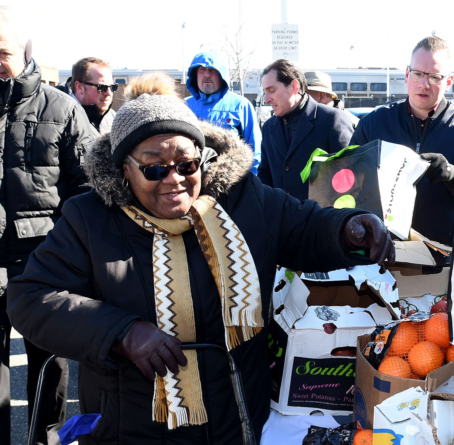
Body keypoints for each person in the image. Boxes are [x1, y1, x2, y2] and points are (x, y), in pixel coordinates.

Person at [6, 73, 394, 444]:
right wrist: (120, 332)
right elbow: (31, 298)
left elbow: (302, 225)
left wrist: (347, 227)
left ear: (202, 159)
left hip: (237, 414)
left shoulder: (244, 199)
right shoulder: (89, 218)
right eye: (154, 167)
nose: (173, 178)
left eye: (186, 165)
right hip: (133, 423)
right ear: (125, 169)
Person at [0, 7, 93, 445]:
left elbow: (90, 185)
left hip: (42, 258)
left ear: (24, 53)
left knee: (48, 360)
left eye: (1, 52)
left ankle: (46, 440)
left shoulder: (62, 107)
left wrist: (72, 248)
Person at [350, 36, 454, 248]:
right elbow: (347, 178)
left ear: (448, 82)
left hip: (446, 256)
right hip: (380, 253)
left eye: (435, 77)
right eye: (418, 74)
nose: (424, 84)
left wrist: (453, 174)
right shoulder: (374, 123)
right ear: (407, 74)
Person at [257, 59, 355, 199]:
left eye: (271, 90)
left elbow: (349, 176)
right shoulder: (268, 127)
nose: (266, 99)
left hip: (323, 218)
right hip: (281, 218)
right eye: (265, 92)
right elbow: (265, 175)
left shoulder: (332, 120)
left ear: (294, 86)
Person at [185, 50, 261, 173]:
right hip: (191, 179)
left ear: (222, 75)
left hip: (230, 183)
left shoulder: (241, 105)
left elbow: (255, 151)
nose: (207, 75)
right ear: (195, 75)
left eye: (212, 70)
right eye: (202, 70)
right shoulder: (184, 105)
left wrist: (252, 185)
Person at [72, 57, 116, 134]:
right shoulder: (63, 118)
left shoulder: (113, 117)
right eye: (101, 87)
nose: (108, 93)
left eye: (112, 87)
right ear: (79, 87)